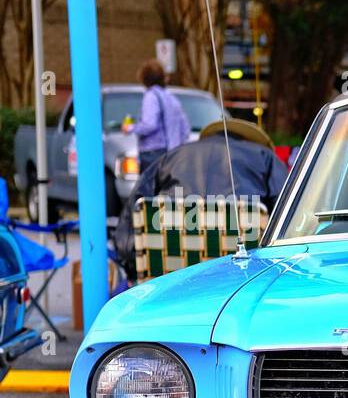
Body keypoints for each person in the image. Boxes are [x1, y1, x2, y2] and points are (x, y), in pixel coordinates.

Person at [116, 118, 289, 281]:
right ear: (250, 141)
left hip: (170, 278)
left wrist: (132, 264)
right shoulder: (265, 158)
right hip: (241, 278)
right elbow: (289, 215)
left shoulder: (172, 156)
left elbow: (130, 225)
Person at [130, 59, 189, 171]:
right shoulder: (172, 98)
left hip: (153, 154)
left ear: (144, 78)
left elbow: (149, 125)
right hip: (174, 152)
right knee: (176, 185)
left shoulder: (151, 96)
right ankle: (178, 190)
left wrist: (131, 128)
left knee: (150, 187)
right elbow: (185, 129)